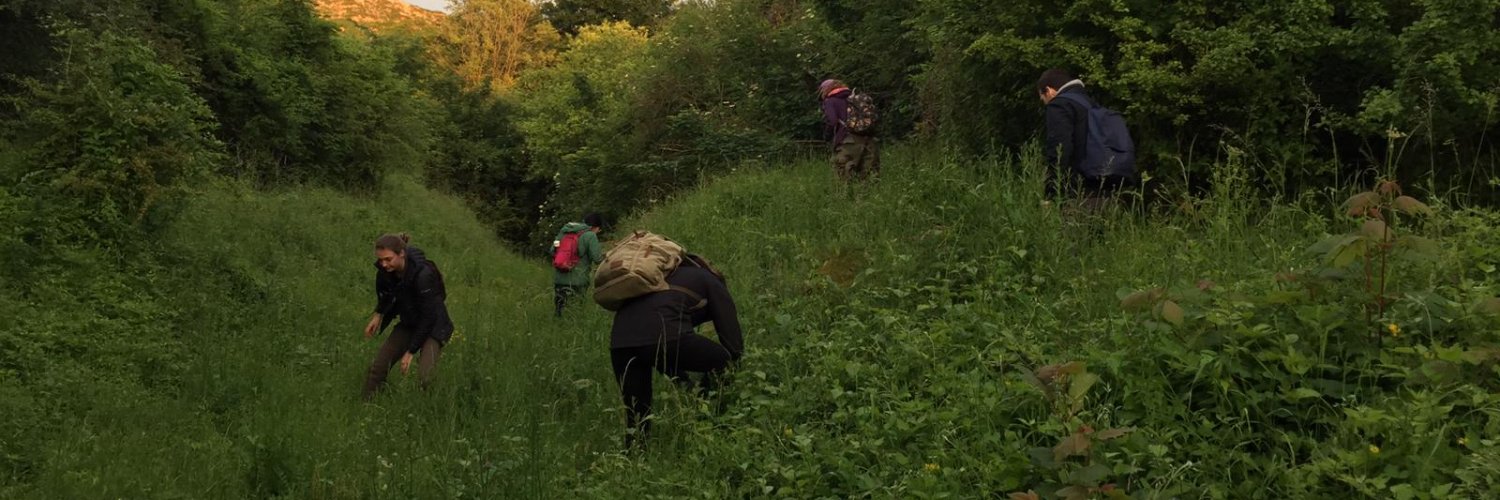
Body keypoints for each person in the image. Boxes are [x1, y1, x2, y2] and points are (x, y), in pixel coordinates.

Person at [609, 255, 743, 447]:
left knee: (637, 414)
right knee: (722, 359)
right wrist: (735, 367)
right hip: (664, 336)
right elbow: (732, 340)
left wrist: (686, 384)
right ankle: (712, 413)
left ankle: (634, 458)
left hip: (620, 341)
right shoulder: (712, 282)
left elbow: (662, 354)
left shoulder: (657, 280)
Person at [361, 233, 453, 400]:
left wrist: (410, 351)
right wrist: (378, 315)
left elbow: (429, 316)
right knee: (377, 369)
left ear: (401, 254)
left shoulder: (423, 275)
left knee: (425, 378)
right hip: (410, 322)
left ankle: (430, 410)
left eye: (388, 259)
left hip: (433, 325)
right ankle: (367, 406)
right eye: (381, 260)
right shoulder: (385, 270)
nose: (383, 264)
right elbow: (387, 294)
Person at [1037, 69, 1135, 208]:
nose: (1045, 102)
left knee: (1074, 230)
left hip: (1078, 196)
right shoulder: (1090, 103)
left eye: (1043, 98)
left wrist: (1051, 193)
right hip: (1108, 194)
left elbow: (1059, 150)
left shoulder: (1060, 105)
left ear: (1049, 90)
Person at [819, 79, 880, 182]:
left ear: (825, 90)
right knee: (869, 180)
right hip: (868, 140)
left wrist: (827, 137)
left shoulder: (830, 101)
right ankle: (865, 198)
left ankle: (846, 198)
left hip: (847, 141)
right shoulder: (854, 98)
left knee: (843, 179)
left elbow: (832, 121)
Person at [552, 213, 604, 317]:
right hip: (578, 281)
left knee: (559, 311)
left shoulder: (564, 232)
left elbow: (553, 250)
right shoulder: (590, 235)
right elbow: (597, 259)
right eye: (599, 230)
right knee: (575, 313)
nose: (598, 232)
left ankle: (557, 326)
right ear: (595, 227)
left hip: (559, 279)